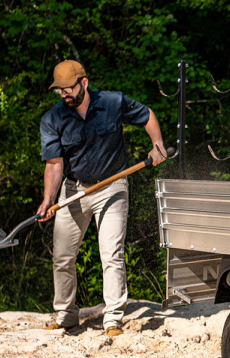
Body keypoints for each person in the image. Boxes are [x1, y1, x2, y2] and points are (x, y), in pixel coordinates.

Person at [37, 60, 166, 336]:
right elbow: (54, 164)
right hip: (74, 190)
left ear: (83, 83)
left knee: (111, 252)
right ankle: (66, 314)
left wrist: (157, 146)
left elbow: (147, 116)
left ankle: (113, 318)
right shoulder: (53, 118)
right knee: (62, 256)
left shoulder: (111, 102)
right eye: (60, 91)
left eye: (69, 89)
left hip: (112, 187)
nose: (64, 95)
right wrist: (48, 199)